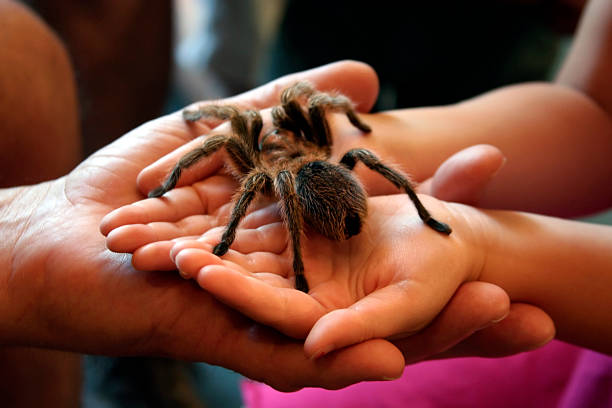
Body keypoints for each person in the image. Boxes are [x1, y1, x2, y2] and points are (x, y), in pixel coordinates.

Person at [101, 0, 612, 405]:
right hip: (324, 173)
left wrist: (202, 191)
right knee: (353, 148)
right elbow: (595, 111)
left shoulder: (258, 160)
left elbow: (289, 109)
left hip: (303, 182)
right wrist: (377, 132)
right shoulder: (329, 146)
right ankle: (418, 210)